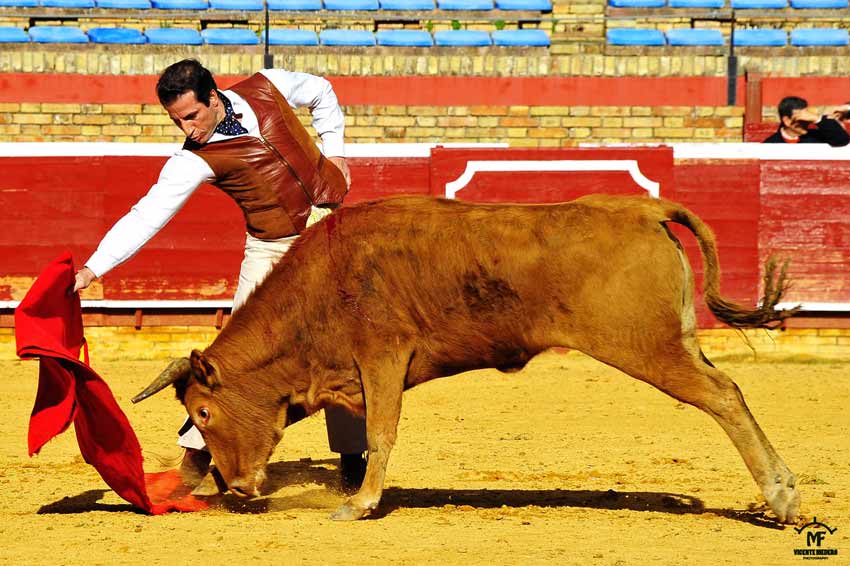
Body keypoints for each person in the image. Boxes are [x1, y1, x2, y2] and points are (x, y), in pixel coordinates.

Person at [73, 58, 368, 493]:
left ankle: (352, 460)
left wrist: (335, 151)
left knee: (346, 349)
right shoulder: (191, 160)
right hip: (272, 250)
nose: (187, 130)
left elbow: (322, 91)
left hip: (329, 238)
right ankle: (196, 459)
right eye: (177, 121)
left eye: (191, 116)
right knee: (233, 362)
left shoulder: (267, 86)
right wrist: (92, 268)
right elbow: (146, 216)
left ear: (214, 97)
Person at [763, 96, 850, 146]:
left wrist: (817, 119)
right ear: (787, 121)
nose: (807, 122)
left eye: (807, 117)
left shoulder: (816, 136)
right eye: (801, 119)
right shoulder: (771, 143)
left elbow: (842, 140)